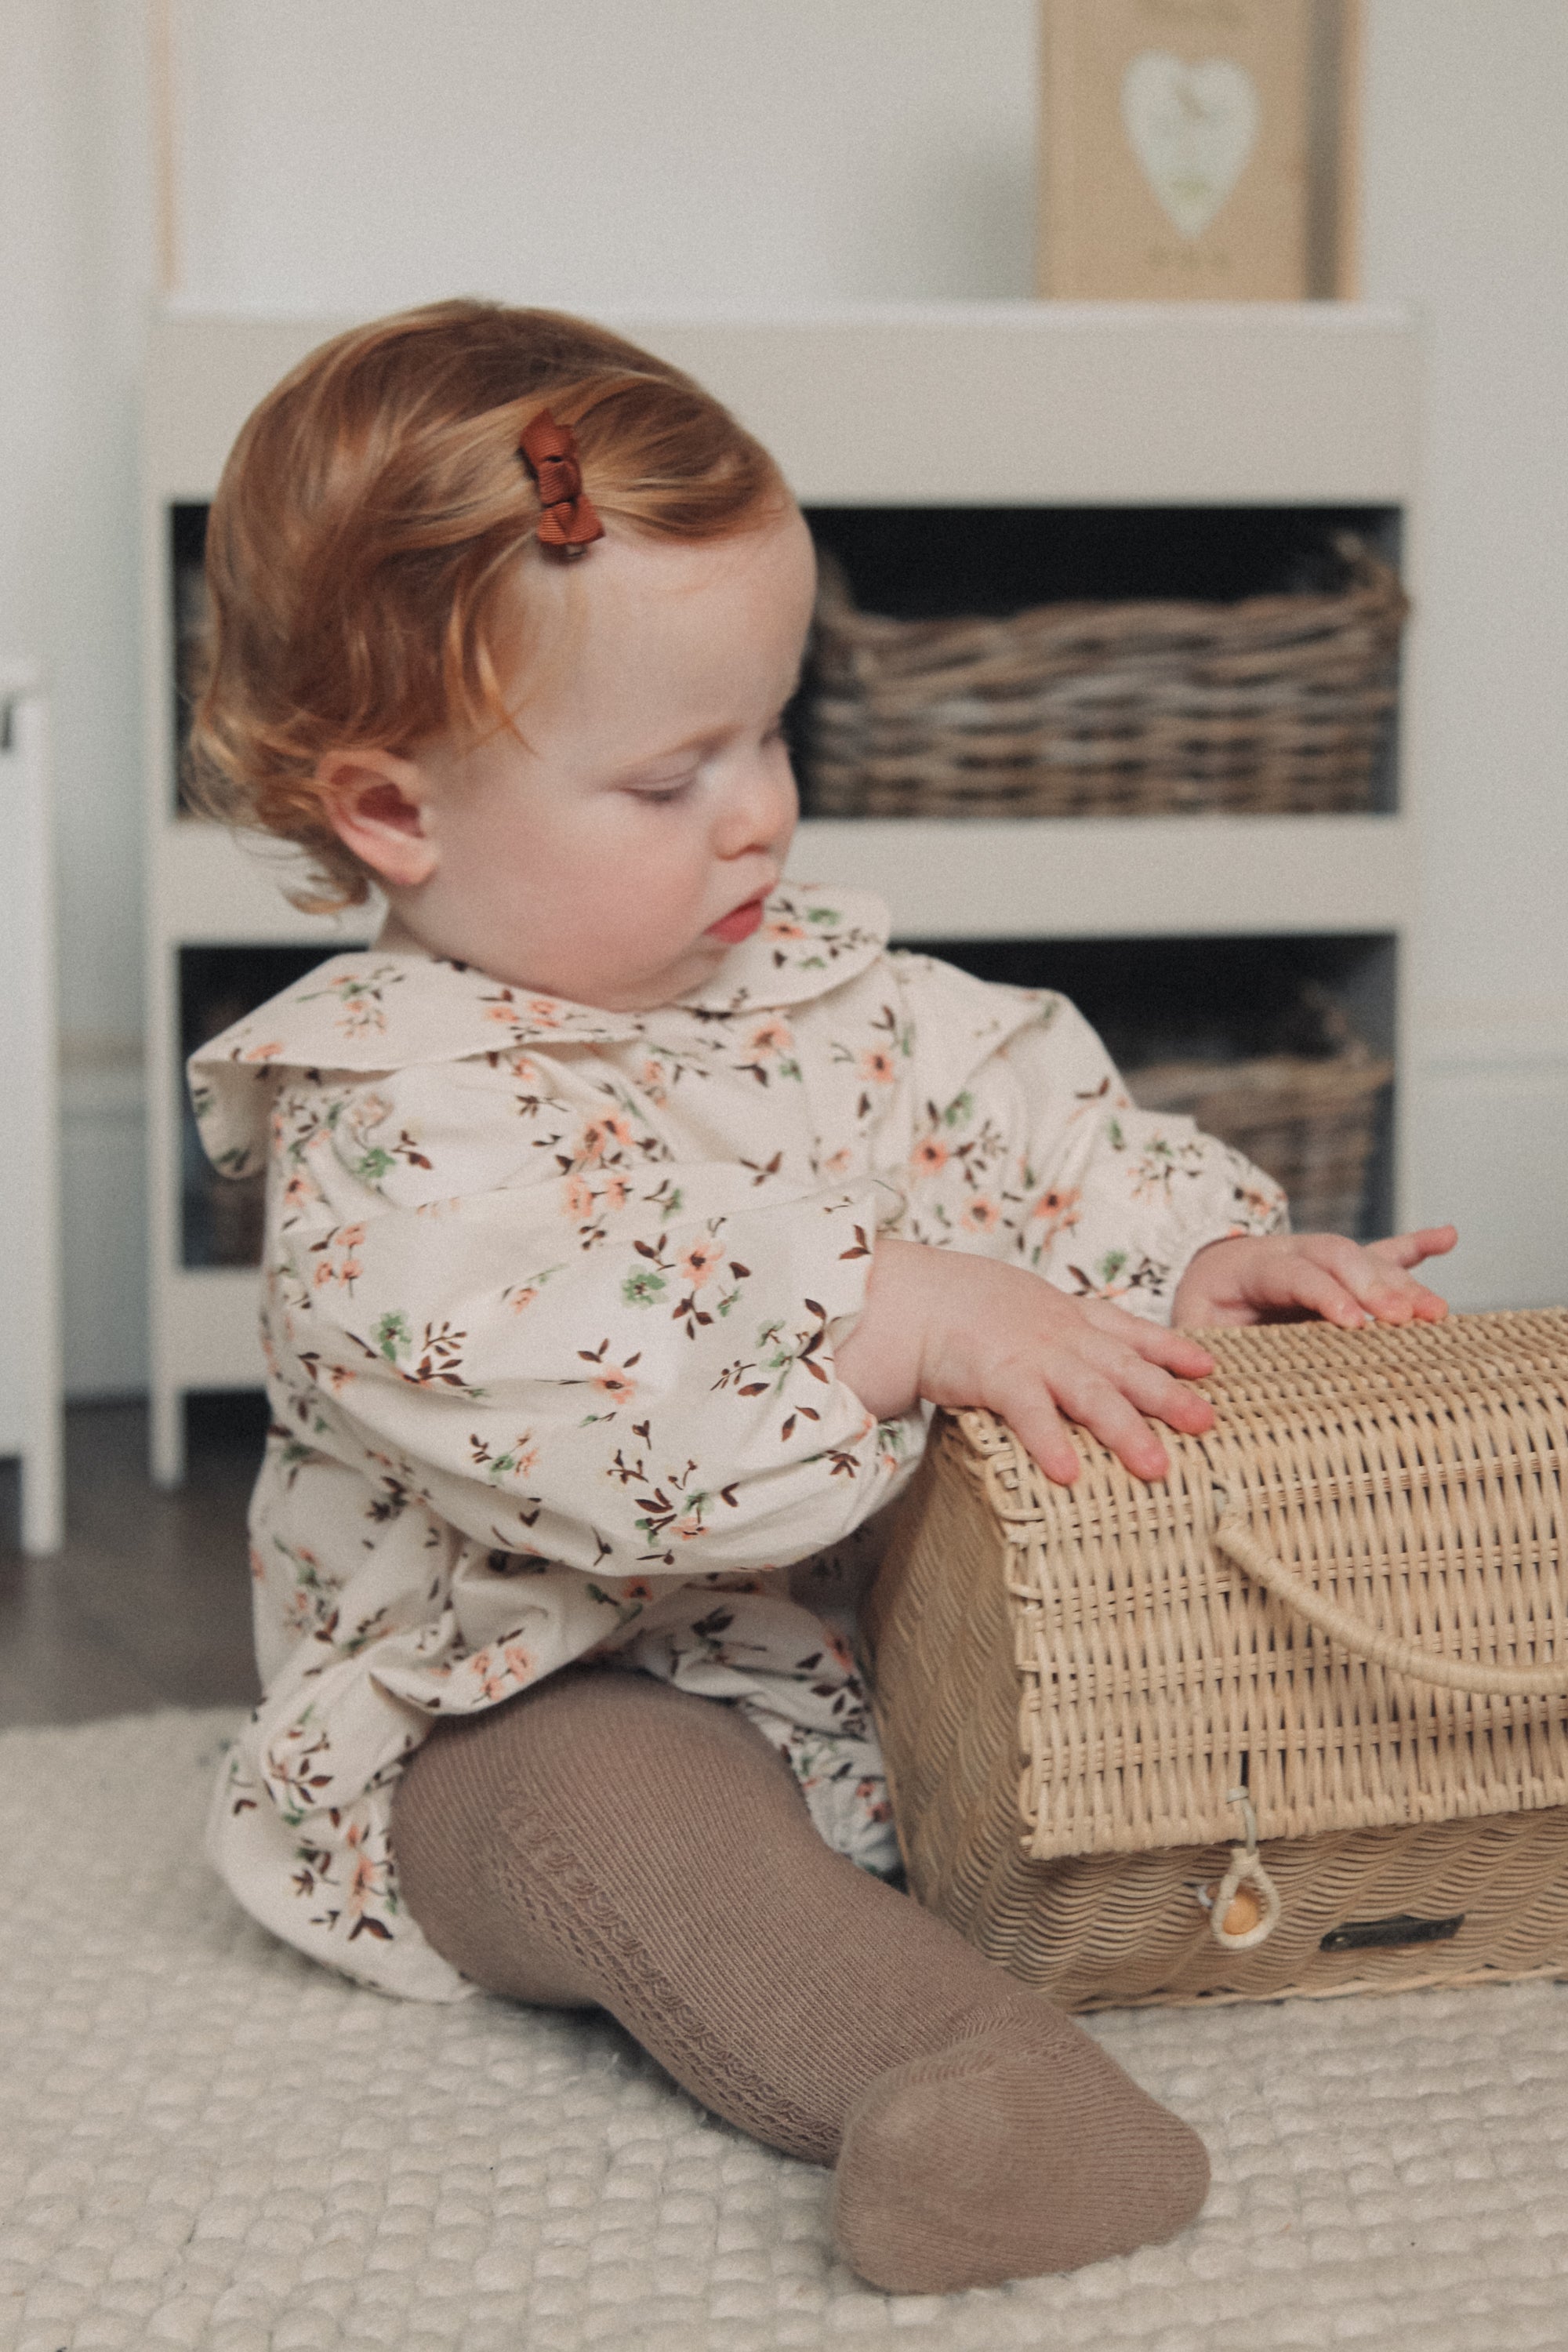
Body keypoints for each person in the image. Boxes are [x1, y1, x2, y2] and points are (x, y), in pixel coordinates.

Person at [187, 299, 1456, 2296]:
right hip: (530, 1699)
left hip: (891, 1673)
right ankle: (950, 2074)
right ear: (391, 813)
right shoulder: (394, 1132)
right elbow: (597, 1448)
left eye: (772, 733)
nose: (758, 812)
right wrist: (890, 1318)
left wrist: (1204, 1262)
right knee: (609, 1818)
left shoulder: (838, 1000)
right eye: (669, 776)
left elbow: (1051, 1141)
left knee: (1126, 1690)